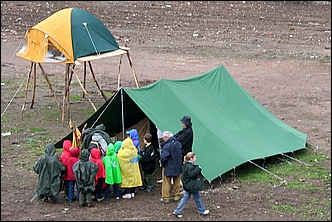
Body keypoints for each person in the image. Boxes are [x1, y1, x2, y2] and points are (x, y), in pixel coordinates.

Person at [172, 152, 209, 218]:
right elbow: (192, 174)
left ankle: (177, 211)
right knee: (197, 197)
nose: (196, 159)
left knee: (186, 198)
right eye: (195, 157)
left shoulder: (186, 165)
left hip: (188, 185)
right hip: (192, 185)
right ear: (191, 159)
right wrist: (198, 168)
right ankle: (202, 210)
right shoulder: (189, 166)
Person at [159, 131, 183, 204]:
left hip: (168, 166)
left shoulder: (167, 146)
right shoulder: (178, 144)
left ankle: (165, 198)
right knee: (177, 182)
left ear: (167, 137)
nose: (163, 139)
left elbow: (163, 157)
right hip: (178, 166)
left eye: (163, 138)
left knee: (166, 182)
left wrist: (162, 164)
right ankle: (176, 196)